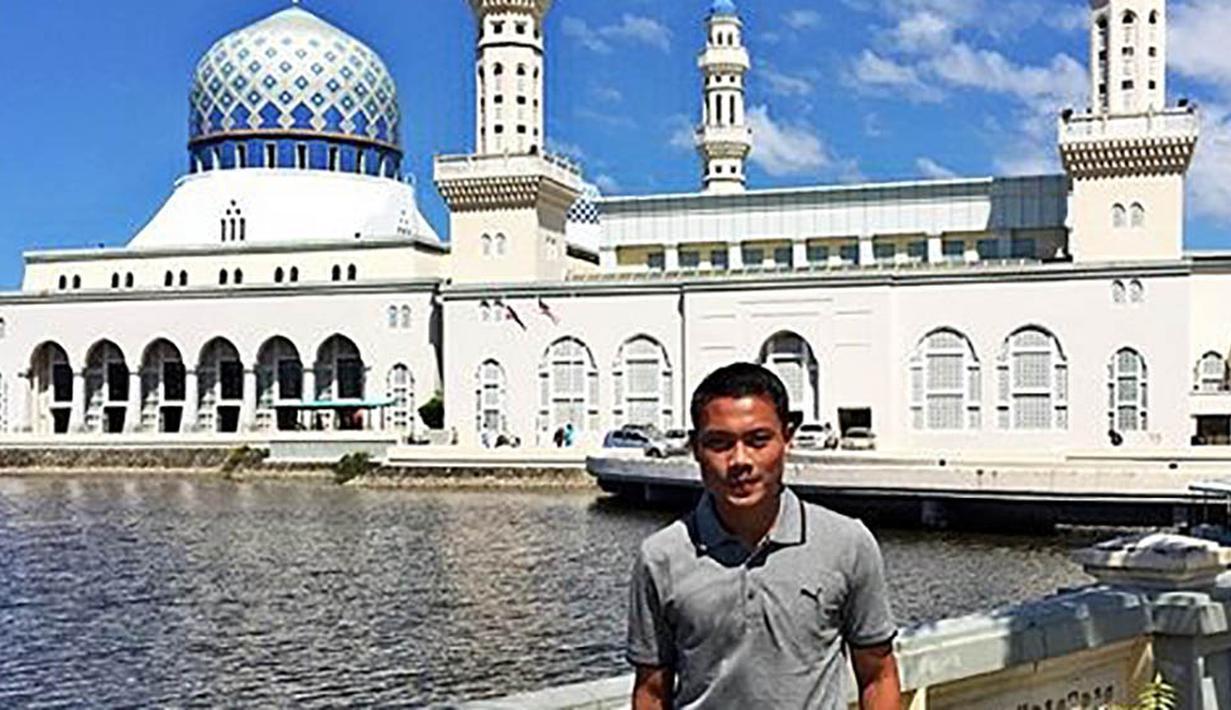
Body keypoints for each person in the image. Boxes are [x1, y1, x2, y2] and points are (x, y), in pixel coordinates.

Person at [628, 362, 901, 709]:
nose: (739, 460)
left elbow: (878, 675)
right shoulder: (661, 557)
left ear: (787, 438)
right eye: (719, 443)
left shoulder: (847, 544)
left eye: (758, 440)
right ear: (696, 448)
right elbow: (651, 692)